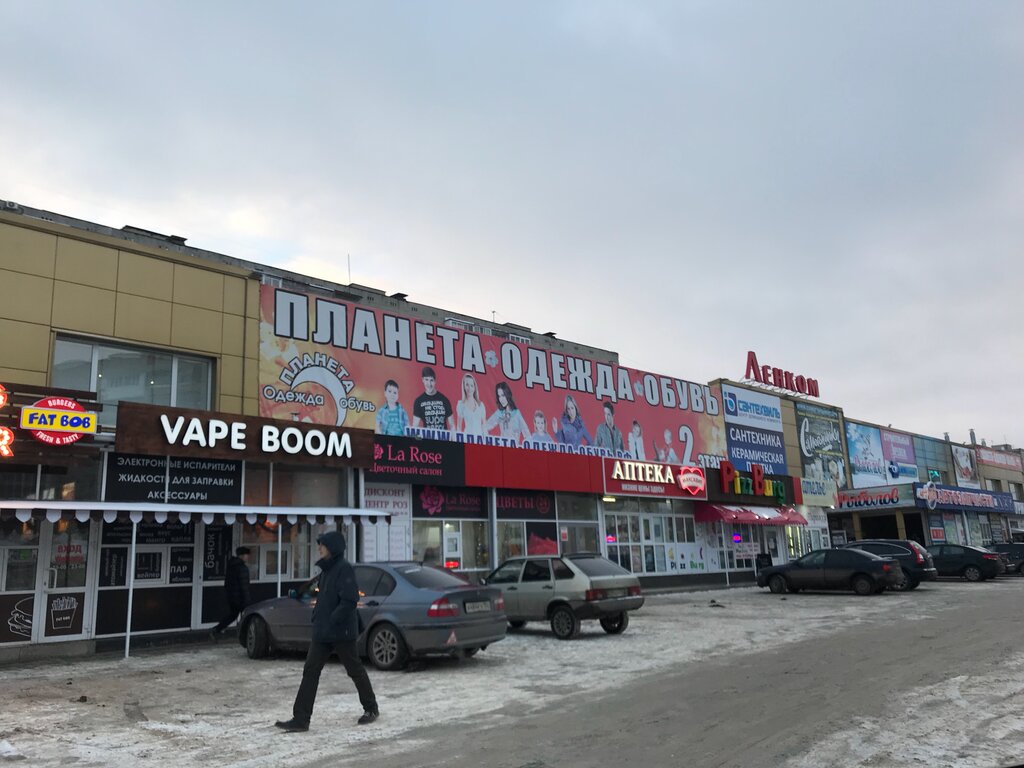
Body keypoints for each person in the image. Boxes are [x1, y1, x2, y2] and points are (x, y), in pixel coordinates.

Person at [275, 531, 378, 732]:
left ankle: (371, 708)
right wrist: (318, 615)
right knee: (310, 671)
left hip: (342, 631)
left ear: (333, 548)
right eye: (319, 545)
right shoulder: (326, 571)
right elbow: (324, 598)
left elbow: (350, 600)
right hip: (323, 631)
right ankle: (301, 719)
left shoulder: (344, 569)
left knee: (354, 669)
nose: (319, 548)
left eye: (322, 545)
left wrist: (332, 619)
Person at [209, 546, 251, 641]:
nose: (248, 557)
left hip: (232, 597)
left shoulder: (231, 566)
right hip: (241, 598)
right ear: (242, 555)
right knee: (248, 617)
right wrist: (247, 600)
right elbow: (244, 586)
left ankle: (216, 630)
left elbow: (227, 583)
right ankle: (246, 636)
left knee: (233, 615)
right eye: (247, 555)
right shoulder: (242, 568)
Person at [412, 366, 455, 431]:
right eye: (426, 380)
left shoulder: (444, 400)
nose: (429, 384)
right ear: (423, 380)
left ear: (435, 381)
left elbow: (452, 425)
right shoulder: (418, 401)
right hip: (428, 440)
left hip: (444, 439)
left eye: (431, 380)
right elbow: (415, 426)